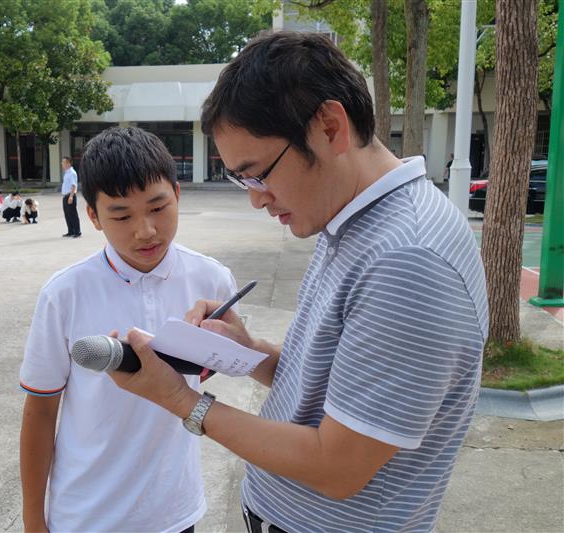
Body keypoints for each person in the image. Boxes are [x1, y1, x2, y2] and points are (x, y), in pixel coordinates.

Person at [105, 32, 488, 533]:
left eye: (258, 173)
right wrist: (248, 351)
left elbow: (338, 468)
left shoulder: (406, 260)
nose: (256, 198)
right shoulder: (354, 220)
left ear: (330, 128)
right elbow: (337, 381)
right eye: (241, 180)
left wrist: (180, 400)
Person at [19, 126, 237, 533]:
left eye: (158, 207)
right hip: (87, 516)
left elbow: (215, 365)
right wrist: (34, 520)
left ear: (178, 193)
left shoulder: (212, 280)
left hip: (174, 512)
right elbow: (41, 411)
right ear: (93, 217)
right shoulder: (64, 294)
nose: (146, 231)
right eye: (121, 216)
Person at [60, 156, 81, 238]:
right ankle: (71, 231)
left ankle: (77, 231)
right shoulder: (67, 173)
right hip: (65, 196)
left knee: (72, 214)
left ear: (68, 163)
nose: (62, 164)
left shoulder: (72, 173)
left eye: (63, 162)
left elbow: (73, 185)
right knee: (67, 214)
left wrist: (71, 196)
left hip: (70, 195)